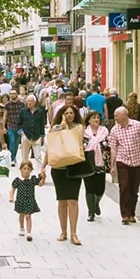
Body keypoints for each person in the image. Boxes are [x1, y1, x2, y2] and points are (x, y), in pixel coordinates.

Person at [108, 106, 140, 225]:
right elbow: (113, 148)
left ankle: (131, 213)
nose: (115, 118)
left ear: (125, 115)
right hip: (122, 160)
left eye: (117, 116)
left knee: (134, 188)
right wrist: (112, 165)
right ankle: (124, 214)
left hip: (136, 160)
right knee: (124, 186)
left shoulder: (137, 125)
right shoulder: (114, 130)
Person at [47, 104, 88, 245]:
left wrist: (67, 129)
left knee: (73, 200)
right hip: (59, 168)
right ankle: (63, 231)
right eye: (67, 113)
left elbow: (78, 142)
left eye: (71, 113)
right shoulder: (55, 128)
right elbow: (51, 145)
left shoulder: (79, 128)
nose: (70, 115)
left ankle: (74, 233)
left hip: (74, 167)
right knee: (62, 200)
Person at [82, 111, 108, 222]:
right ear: (89, 120)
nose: (96, 119)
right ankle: (90, 211)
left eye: (98, 117)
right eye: (94, 118)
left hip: (101, 163)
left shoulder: (105, 131)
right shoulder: (84, 132)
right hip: (88, 163)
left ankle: (96, 203)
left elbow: (109, 147)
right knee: (89, 188)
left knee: (100, 189)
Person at [9, 160, 45, 241]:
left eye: (28, 169)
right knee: (21, 214)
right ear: (21, 169)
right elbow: (13, 188)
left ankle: (29, 233)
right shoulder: (18, 180)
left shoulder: (32, 179)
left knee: (28, 216)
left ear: (31, 170)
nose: (26, 171)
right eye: (24, 169)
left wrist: (43, 178)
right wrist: (11, 197)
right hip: (20, 200)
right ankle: (22, 227)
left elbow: (40, 184)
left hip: (30, 200)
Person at [17, 93, 47, 166]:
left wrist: (42, 136)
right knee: (24, 157)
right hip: (26, 136)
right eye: (28, 101)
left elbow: (41, 125)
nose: (29, 103)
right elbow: (19, 124)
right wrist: (21, 133)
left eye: (31, 101)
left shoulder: (39, 112)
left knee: (38, 157)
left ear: (34, 102)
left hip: (36, 136)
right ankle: (24, 174)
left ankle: (39, 174)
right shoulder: (23, 111)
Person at [3, 88, 23, 163]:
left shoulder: (21, 104)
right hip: (10, 125)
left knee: (17, 143)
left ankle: (14, 156)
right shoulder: (7, 104)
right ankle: (12, 158)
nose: (12, 95)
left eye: (14, 93)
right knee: (12, 143)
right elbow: (5, 115)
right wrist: (3, 127)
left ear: (17, 94)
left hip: (19, 127)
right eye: (11, 93)